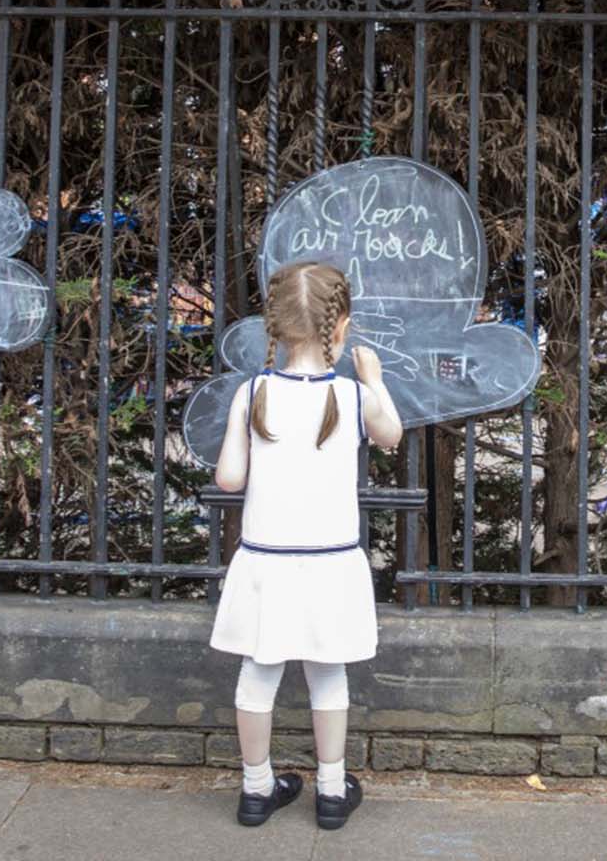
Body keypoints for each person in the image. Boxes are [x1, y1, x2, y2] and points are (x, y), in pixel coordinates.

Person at [211, 261, 404, 831]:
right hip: (329, 561)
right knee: (328, 675)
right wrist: (375, 379)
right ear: (340, 325)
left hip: (267, 561)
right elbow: (391, 433)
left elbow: (227, 479)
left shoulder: (253, 392)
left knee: (257, 675)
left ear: (274, 326)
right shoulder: (350, 394)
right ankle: (330, 790)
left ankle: (255, 790)